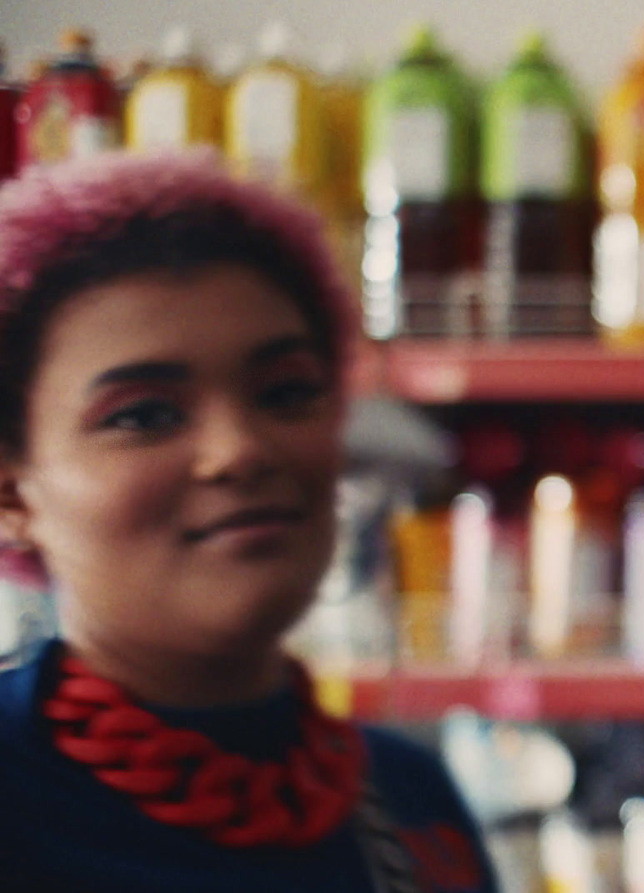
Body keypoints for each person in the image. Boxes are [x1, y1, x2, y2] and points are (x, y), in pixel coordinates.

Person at [0, 150, 497, 892]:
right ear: (13, 493)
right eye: (143, 414)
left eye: (286, 392)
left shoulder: (411, 798)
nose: (239, 450)